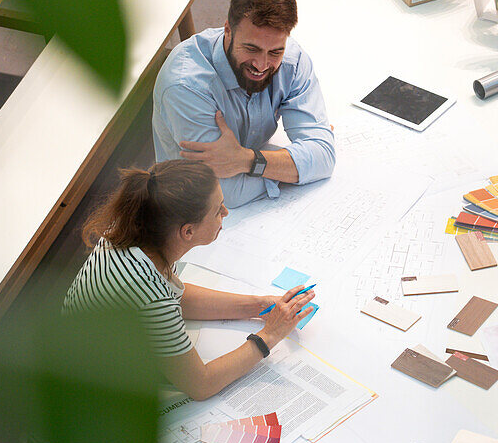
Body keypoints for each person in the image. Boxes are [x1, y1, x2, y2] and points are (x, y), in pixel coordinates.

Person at [64, 159, 314, 397]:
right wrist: (270, 335)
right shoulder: (148, 292)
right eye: (218, 210)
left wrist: (260, 306)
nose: (226, 213)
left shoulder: (131, 231)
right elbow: (201, 384)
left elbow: (175, 297)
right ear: (187, 231)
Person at [152, 0, 335, 209]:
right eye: (251, 48)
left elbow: (324, 157)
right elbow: (226, 193)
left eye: (275, 52)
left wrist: (249, 161)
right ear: (227, 30)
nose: (261, 65)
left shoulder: (293, 61)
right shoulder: (186, 86)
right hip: (188, 210)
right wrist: (296, 164)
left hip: (256, 207)